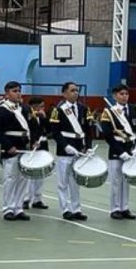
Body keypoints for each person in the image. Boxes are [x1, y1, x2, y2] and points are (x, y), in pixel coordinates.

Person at [0, 81, 37, 221]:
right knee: (10, 179)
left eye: (19, 90)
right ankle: (8, 208)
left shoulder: (24, 108)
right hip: (11, 147)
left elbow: (31, 126)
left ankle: (18, 207)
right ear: (7, 93)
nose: (18, 93)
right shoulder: (2, 108)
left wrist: (34, 141)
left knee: (23, 179)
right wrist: (7, 146)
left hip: (24, 146)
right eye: (14, 91)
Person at [50, 81, 92, 221]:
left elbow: (88, 130)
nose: (76, 93)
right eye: (73, 90)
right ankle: (65, 209)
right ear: (64, 93)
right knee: (63, 182)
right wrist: (65, 146)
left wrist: (89, 146)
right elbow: (55, 132)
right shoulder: (59, 109)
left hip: (79, 148)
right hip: (65, 149)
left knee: (75, 182)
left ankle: (76, 209)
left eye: (77, 90)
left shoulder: (83, 108)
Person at [101, 85, 136, 220]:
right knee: (116, 180)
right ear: (114, 96)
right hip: (116, 150)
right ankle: (115, 208)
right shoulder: (108, 112)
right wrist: (120, 152)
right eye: (121, 94)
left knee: (126, 180)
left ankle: (125, 207)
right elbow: (107, 135)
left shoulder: (134, 109)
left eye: (126, 94)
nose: (124, 96)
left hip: (130, 148)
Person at [25, 97, 50, 210]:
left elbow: (49, 130)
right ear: (34, 106)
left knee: (40, 174)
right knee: (29, 174)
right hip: (32, 146)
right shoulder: (28, 115)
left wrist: (44, 118)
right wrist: (32, 142)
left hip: (42, 145)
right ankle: (26, 199)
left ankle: (37, 199)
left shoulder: (42, 117)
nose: (42, 109)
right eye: (41, 106)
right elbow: (28, 130)